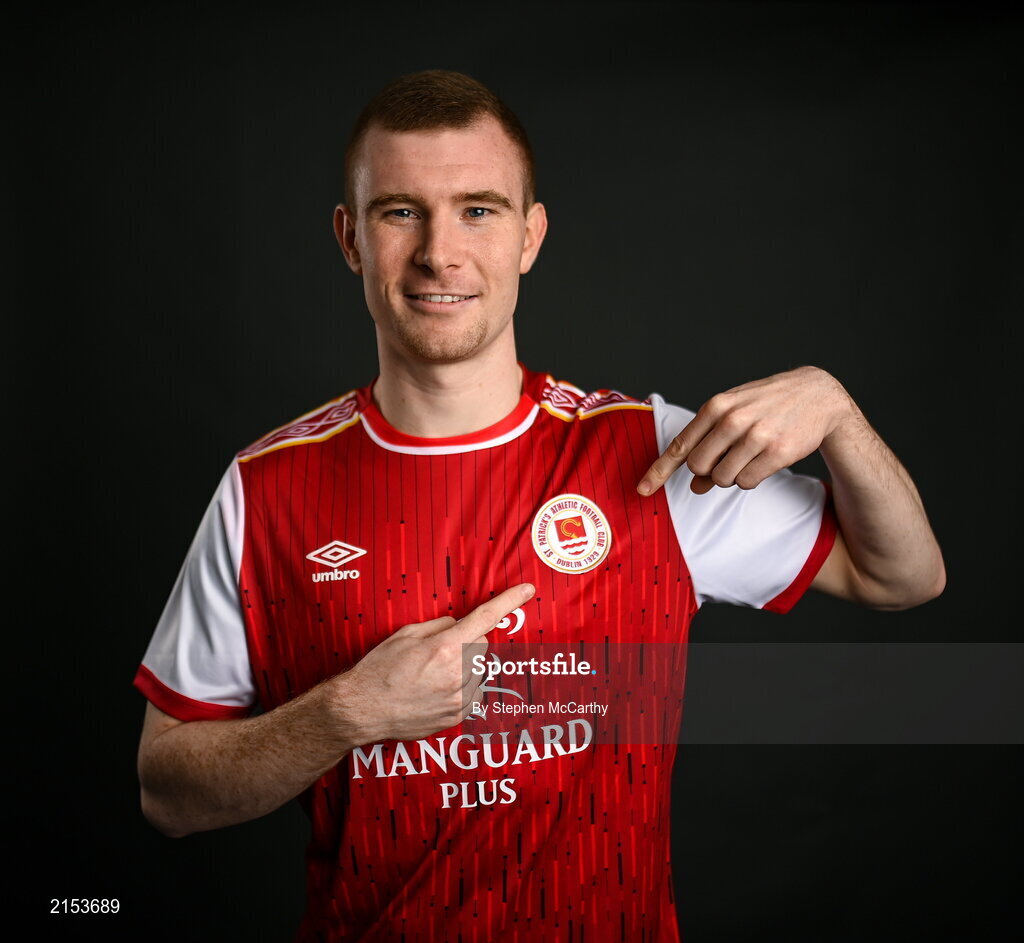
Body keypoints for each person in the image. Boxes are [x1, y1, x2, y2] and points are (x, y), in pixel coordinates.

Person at [134, 70, 944, 942]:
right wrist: (348, 712)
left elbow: (902, 575)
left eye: (478, 210)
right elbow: (168, 793)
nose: (440, 252)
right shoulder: (267, 487)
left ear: (530, 235)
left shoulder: (651, 453)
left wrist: (836, 412)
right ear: (350, 239)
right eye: (400, 211)